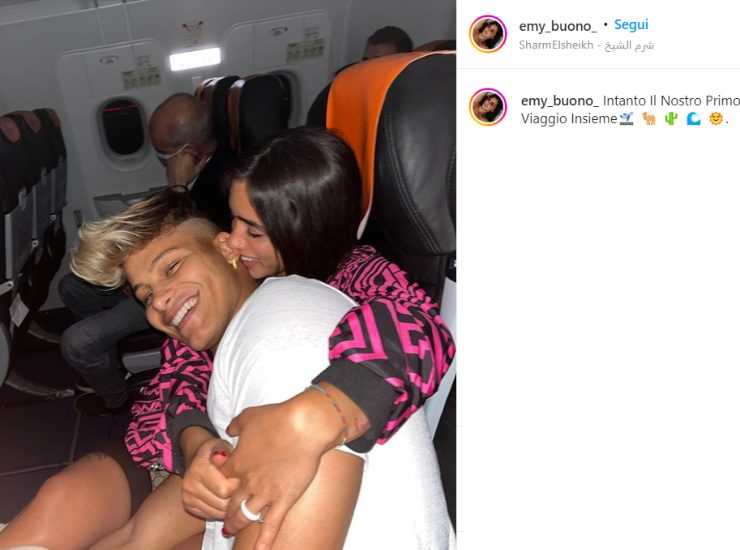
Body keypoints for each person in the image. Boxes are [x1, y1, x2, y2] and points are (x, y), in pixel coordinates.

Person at [1, 128, 455, 548]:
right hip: (178, 445)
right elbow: (181, 374)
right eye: (233, 223)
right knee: (60, 496)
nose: (234, 241)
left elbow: (419, 330)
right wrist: (194, 439)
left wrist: (320, 411)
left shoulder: (341, 283)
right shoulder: (235, 284)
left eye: (252, 230)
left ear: (307, 224)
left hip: (236, 451)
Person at [59, 92, 232, 417]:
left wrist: (177, 187)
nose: (161, 159)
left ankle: (116, 400)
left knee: (77, 342)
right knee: (72, 286)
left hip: (183, 287)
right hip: (159, 275)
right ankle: (110, 359)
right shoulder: (198, 171)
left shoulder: (225, 180)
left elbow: (196, 240)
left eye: (164, 153)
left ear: (190, 151)